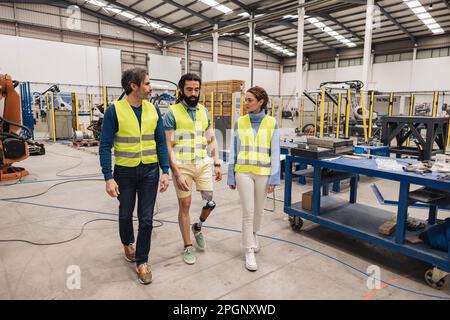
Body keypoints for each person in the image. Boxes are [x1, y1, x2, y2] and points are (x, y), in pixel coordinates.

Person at [99, 67, 169, 285]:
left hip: (150, 171)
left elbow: (160, 142)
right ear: (134, 86)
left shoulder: (153, 110)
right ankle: (127, 242)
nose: (151, 88)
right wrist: (108, 177)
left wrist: (165, 170)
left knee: (146, 218)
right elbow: (104, 146)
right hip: (125, 173)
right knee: (125, 214)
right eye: (147, 84)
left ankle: (142, 261)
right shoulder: (114, 111)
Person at [164, 73, 222, 265]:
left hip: (202, 162)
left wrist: (216, 162)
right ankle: (188, 246)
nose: (193, 93)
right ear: (181, 90)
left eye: (196, 89)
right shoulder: (172, 112)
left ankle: (198, 226)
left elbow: (211, 138)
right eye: (189, 89)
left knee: (210, 201)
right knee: (185, 204)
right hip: (182, 165)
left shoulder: (204, 112)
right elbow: (168, 146)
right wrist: (176, 172)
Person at [227, 86, 280, 272]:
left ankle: (254, 234)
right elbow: (234, 149)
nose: (246, 103)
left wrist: (274, 177)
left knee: (259, 211)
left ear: (261, 102)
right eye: (245, 99)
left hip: (263, 173)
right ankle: (248, 250)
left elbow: (275, 152)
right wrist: (230, 174)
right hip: (243, 172)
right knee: (248, 212)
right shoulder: (239, 122)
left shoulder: (272, 122)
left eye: (249, 100)